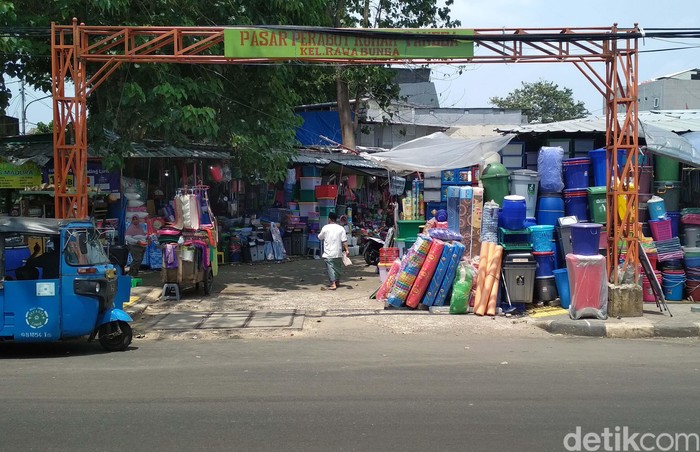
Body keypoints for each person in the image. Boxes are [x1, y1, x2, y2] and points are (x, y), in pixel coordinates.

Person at [317, 211, 349, 290]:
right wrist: (347, 250)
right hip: (338, 251)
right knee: (337, 267)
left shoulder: (325, 227)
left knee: (330, 267)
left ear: (329, 219)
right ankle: (337, 281)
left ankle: (333, 283)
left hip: (328, 252)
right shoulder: (341, 228)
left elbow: (320, 237)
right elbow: (344, 241)